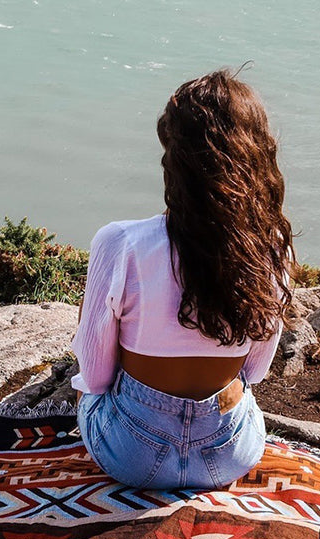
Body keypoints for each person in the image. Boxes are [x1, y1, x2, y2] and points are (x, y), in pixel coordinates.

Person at [73, 66, 295, 492]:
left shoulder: (121, 243)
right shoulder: (270, 249)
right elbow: (256, 370)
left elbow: (97, 378)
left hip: (130, 455)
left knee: (89, 388)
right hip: (230, 454)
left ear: (173, 160)